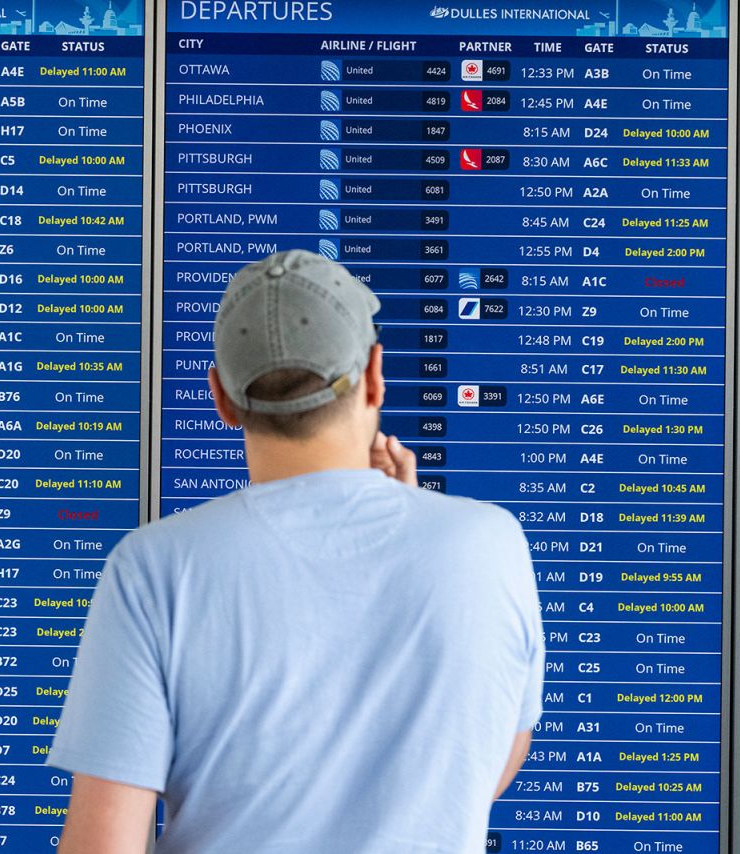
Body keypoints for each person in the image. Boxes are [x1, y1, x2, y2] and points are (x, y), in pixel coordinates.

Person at [48, 250, 544, 852]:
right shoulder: (489, 544)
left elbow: (105, 845)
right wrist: (425, 540)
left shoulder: (155, 568)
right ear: (375, 375)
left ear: (222, 398)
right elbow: (477, 774)